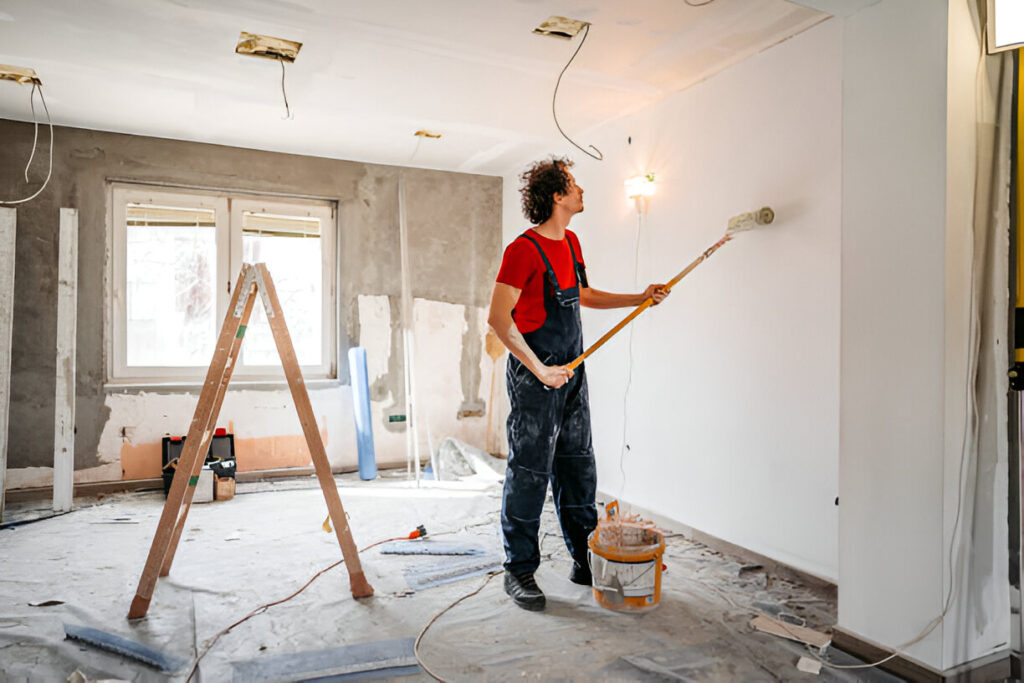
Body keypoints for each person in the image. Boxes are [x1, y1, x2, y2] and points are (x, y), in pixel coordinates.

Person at [487, 157, 669, 611]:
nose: (581, 190)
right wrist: (539, 369)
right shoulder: (522, 250)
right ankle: (520, 569)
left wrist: (639, 297)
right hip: (536, 376)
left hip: (571, 371)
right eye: (573, 184)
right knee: (530, 472)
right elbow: (497, 319)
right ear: (556, 195)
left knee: (577, 466)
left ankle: (583, 560)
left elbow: (583, 295)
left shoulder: (570, 242)